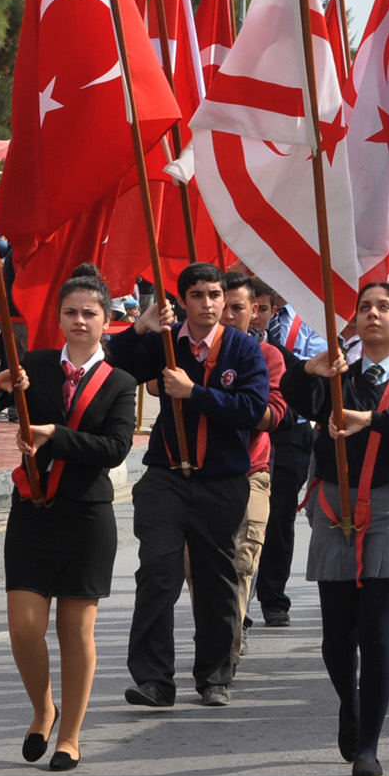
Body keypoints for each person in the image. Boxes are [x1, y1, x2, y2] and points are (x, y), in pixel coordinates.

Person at [284, 282, 389, 776]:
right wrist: (311, 368)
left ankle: (369, 746)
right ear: (352, 322)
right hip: (335, 507)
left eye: (385, 308)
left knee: (376, 629)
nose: (373, 314)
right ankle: (350, 707)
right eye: (364, 307)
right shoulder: (339, 379)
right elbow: (292, 394)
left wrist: (372, 420)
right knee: (337, 637)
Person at [0, 265, 136, 772]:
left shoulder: (119, 382)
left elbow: (116, 448)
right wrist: (0, 383)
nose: (79, 320)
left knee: (76, 630)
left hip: (86, 517)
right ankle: (43, 707)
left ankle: (70, 735)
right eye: (71, 312)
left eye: (89, 313)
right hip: (32, 512)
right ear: (58, 318)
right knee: (23, 626)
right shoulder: (32, 364)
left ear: (107, 320)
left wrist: (55, 432)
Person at [109, 262, 269, 709]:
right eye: (197, 295)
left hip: (221, 479)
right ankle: (154, 680)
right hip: (166, 477)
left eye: (215, 295)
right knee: (158, 572)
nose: (208, 304)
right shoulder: (165, 342)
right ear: (182, 301)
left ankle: (214, 675)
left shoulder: (243, 348)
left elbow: (252, 407)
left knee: (216, 577)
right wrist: (136, 331)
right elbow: (111, 371)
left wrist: (193, 392)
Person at [218, 272, 287, 659]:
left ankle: (226, 648)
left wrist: (205, 398)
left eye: (237, 307)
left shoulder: (269, 356)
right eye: (220, 305)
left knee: (243, 562)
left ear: (255, 311)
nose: (227, 315)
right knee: (205, 571)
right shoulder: (192, 352)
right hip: (203, 475)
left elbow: (269, 415)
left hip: (251, 472)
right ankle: (216, 632)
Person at [259, 294, 326, 628]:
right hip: (245, 426)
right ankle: (236, 598)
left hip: (291, 430)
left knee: (279, 512)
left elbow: (316, 369)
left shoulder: (311, 318)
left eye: (262, 308)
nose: (255, 314)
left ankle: (273, 597)